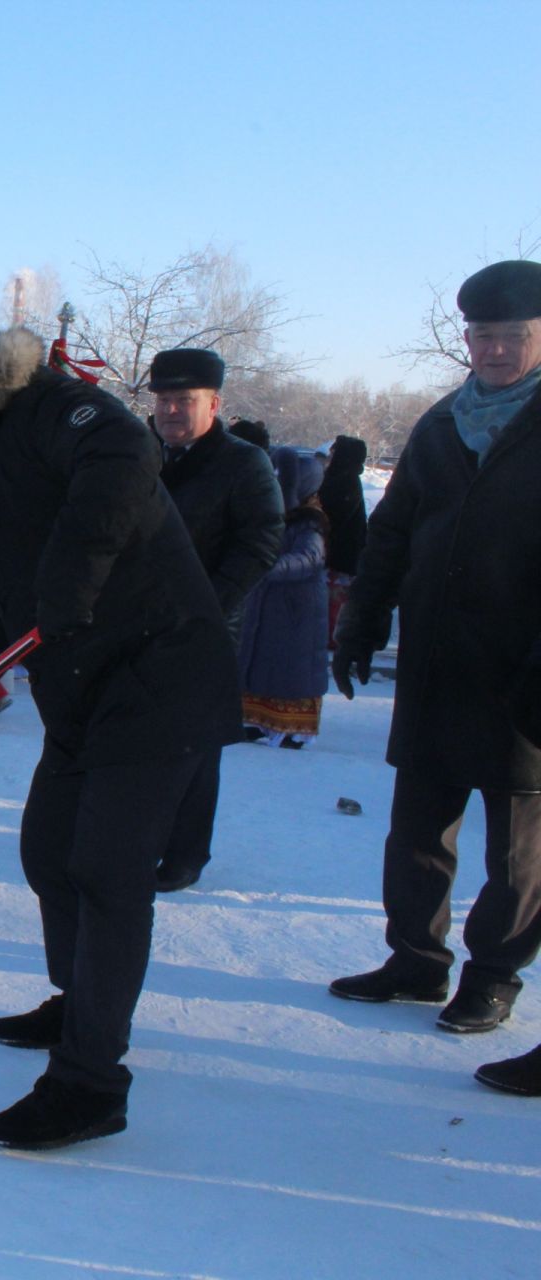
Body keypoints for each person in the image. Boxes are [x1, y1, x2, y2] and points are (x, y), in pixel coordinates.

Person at [0, 316, 240, 1150]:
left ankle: (90, 1083)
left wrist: (69, 586)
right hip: (86, 688)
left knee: (109, 872)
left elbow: (120, 459)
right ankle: (82, 1001)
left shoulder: (55, 409)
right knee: (50, 851)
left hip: (162, 676)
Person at [329, 259, 541, 1042]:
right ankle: (415, 959)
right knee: (417, 829)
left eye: (510, 336)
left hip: (522, 671)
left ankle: (493, 976)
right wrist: (361, 621)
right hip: (436, 662)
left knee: (520, 846)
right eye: (480, 336)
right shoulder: (444, 422)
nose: (491, 350)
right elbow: (392, 534)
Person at [148, 348, 284, 893]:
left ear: (214, 403)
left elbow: (261, 541)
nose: (172, 411)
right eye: (163, 399)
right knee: (132, 736)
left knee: (192, 745)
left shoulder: (241, 462)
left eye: (185, 400)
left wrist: (209, 602)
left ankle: (185, 851)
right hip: (131, 622)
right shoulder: (138, 453)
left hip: (205, 626)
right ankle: (136, 832)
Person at [236, 446, 329, 747]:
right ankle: (256, 720)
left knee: (292, 667)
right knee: (262, 661)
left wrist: (267, 567)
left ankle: (293, 727)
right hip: (268, 602)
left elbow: (309, 558)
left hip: (296, 609)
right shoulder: (273, 517)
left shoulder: (310, 523)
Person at [319, 434, 369, 644]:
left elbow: (334, 516)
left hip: (340, 554)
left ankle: (333, 637)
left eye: (334, 451)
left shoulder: (343, 480)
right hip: (342, 553)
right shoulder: (345, 477)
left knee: (334, 599)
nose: (330, 454)